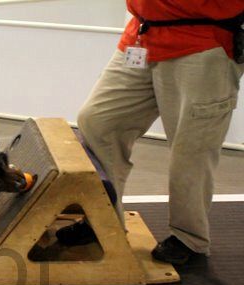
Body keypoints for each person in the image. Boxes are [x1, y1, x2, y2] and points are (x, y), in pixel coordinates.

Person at [59, 1, 244, 265]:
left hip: (202, 41)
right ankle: (103, 217)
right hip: (143, 35)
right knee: (98, 122)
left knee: (191, 148)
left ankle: (188, 238)